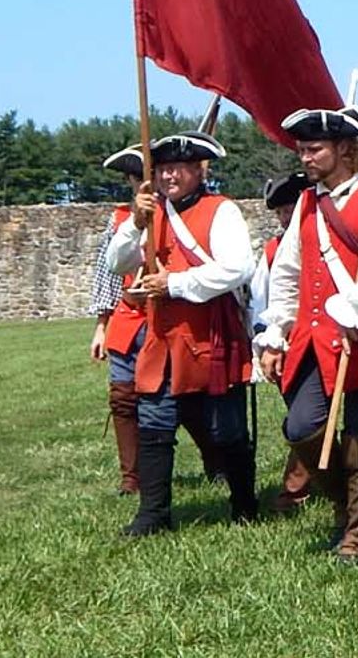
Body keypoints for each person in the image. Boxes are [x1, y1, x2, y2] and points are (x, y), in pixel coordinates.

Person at [255, 102, 358, 565]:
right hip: (312, 338)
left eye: (314, 148)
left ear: (345, 149)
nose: (304, 157)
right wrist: (275, 332)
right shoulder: (307, 201)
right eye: (301, 149)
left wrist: (356, 310)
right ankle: (347, 509)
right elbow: (286, 274)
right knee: (301, 428)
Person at [102, 129, 258, 537]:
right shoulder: (150, 214)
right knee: (153, 423)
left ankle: (244, 504)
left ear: (197, 171)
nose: (170, 177)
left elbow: (237, 267)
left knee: (227, 431)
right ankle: (153, 514)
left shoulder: (221, 210)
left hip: (211, 335)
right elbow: (117, 263)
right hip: (162, 334)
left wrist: (174, 284)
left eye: (179, 169)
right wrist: (136, 224)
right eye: (164, 169)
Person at [87, 143, 223, 499]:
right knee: (123, 399)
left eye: (141, 178)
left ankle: (216, 458)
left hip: (165, 318)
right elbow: (107, 273)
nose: (137, 185)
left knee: (184, 399)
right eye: (133, 179)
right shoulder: (122, 218)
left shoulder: (176, 213)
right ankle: (132, 477)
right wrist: (102, 324)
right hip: (128, 319)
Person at [257, 173, 314, 514]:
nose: (285, 216)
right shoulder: (271, 252)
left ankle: (298, 489)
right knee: (302, 422)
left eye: (291, 207)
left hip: (337, 338)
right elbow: (262, 304)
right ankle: (302, 487)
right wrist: (268, 343)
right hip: (293, 344)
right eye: (280, 211)